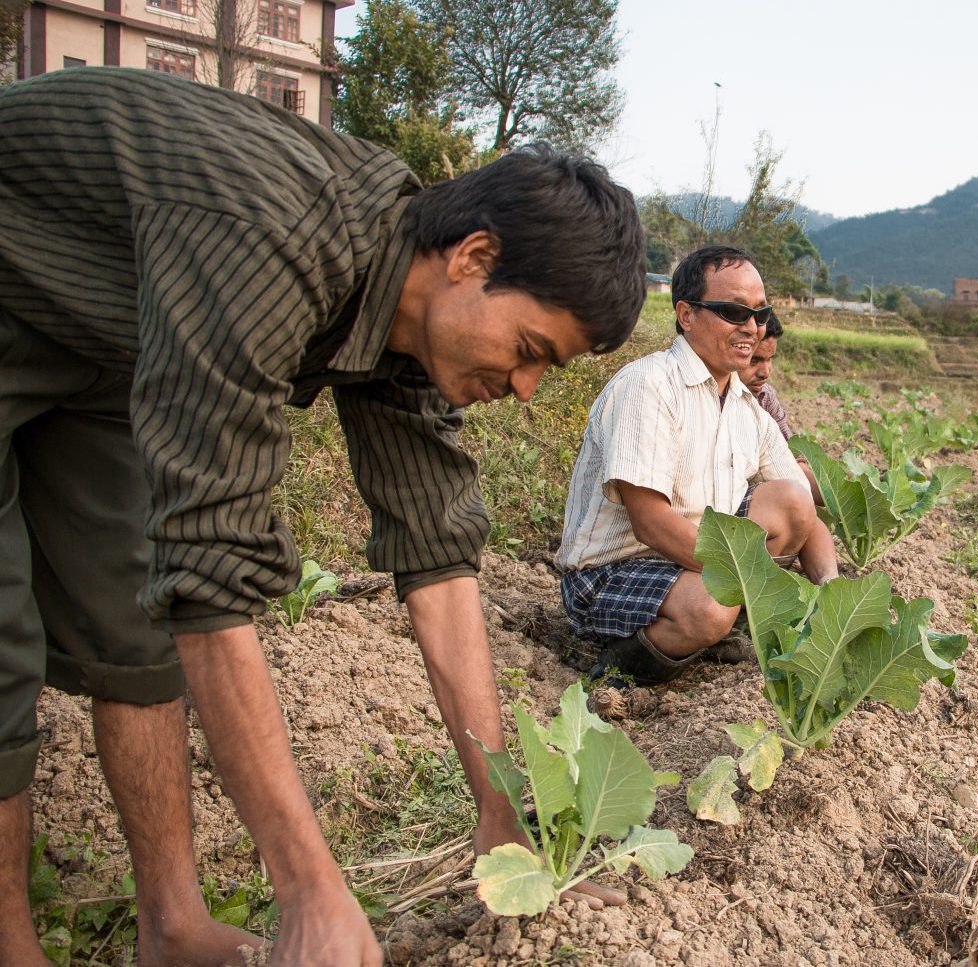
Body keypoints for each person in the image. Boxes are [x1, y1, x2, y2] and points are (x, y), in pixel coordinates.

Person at [0, 68, 644, 966]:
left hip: (104, 341)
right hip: (17, 283)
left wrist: (501, 820)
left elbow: (440, 554)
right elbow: (209, 558)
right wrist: (308, 887)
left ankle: (173, 926)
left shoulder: (411, 312)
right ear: (473, 258)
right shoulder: (273, 237)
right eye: (531, 350)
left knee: (131, 631)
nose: (528, 387)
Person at [556, 246, 839, 686]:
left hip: (694, 564)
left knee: (790, 500)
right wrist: (747, 583)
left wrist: (832, 592)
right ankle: (622, 663)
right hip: (611, 572)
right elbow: (650, 523)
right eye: (733, 312)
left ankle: (714, 624)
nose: (751, 327)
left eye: (759, 314)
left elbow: (802, 508)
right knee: (711, 606)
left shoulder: (747, 408)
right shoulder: (649, 386)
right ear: (686, 315)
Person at [738, 314, 823, 501]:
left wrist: (835, 490)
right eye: (755, 360)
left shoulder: (765, 397)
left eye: (770, 359)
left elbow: (790, 457)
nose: (765, 372)